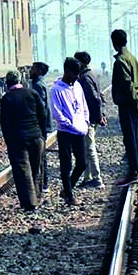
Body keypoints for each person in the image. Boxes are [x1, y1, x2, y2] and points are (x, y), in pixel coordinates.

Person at [0, 70, 48, 220]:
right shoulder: (32, 93)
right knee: (36, 169)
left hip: (18, 140)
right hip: (36, 137)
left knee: (23, 172)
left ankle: (30, 204)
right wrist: (41, 133)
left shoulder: (7, 99)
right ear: (21, 80)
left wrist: (9, 141)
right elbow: (43, 114)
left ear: (7, 83)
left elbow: (5, 123)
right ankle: (37, 198)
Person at [49, 58, 90, 203]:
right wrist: (69, 124)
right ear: (67, 72)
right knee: (66, 164)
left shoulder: (77, 86)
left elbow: (84, 105)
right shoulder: (56, 90)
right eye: (75, 73)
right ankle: (69, 195)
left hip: (80, 131)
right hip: (66, 132)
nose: (77, 77)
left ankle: (67, 189)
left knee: (82, 163)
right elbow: (57, 113)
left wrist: (85, 122)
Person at [110, 29, 138, 186]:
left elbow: (127, 83)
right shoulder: (132, 58)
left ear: (114, 43)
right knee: (134, 138)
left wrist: (136, 101)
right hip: (134, 103)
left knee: (129, 138)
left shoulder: (121, 61)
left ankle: (134, 172)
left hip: (127, 104)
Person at [74, 51, 105, 188]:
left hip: (89, 119)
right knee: (86, 148)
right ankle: (87, 178)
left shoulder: (85, 79)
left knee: (90, 148)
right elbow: (100, 96)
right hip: (91, 117)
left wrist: (98, 117)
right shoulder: (91, 74)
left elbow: (95, 99)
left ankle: (97, 179)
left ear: (81, 62)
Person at [29, 61, 52, 194]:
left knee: (40, 155)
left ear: (38, 71)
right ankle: (43, 183)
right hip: (43, 124)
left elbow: (40, 107)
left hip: (40, 125)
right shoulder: (41, 83)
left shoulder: (37, 85)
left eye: (32, 68)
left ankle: (43, 183)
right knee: (41, 154)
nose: (30, 71)